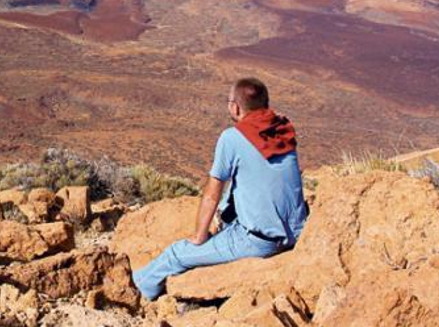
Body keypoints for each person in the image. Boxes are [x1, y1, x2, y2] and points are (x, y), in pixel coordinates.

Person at [132, 77, 308, 300]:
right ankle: (225, 224)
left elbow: (211, 194)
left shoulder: (233, 138)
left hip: (259, 241)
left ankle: (135, 292)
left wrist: (199, 236)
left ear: (235, 107)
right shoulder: (283, 128)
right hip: (296, 232)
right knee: (236, 185)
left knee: (176, 254)